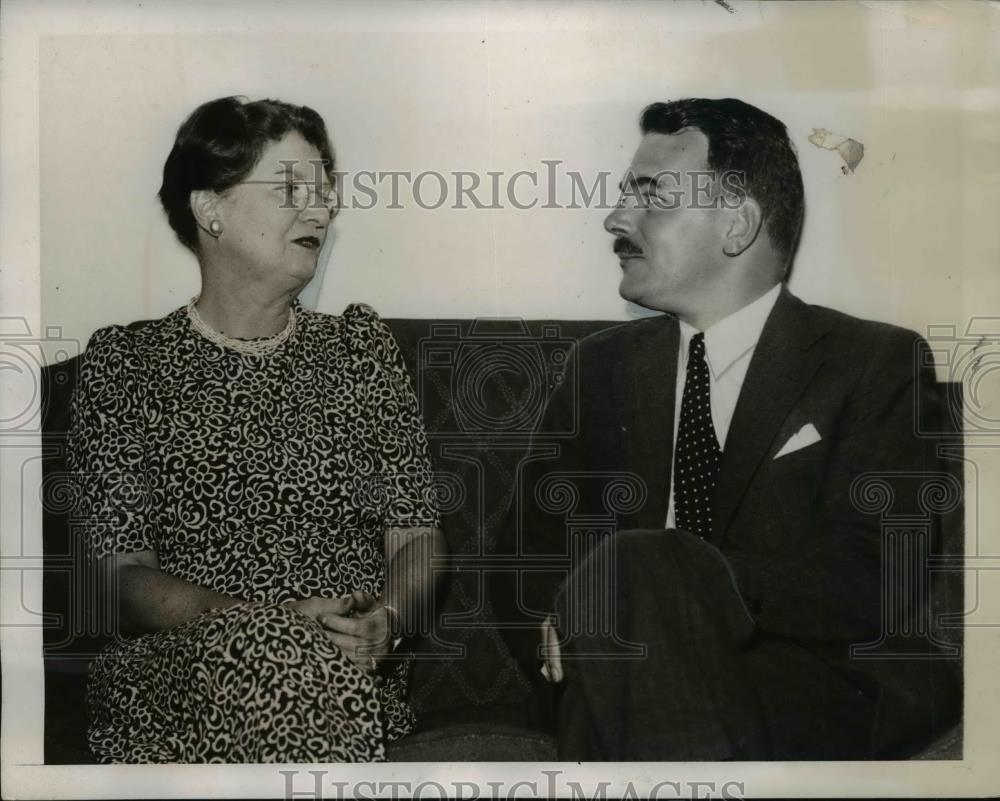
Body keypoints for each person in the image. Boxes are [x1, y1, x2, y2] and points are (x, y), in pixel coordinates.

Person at [494, 98, 960, 760]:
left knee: (644, 565)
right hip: (613, 666)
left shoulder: (874, 362)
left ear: (737, 224)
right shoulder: (599, 369)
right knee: (630, 638)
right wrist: (562, 629)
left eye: (649, 193)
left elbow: (881, 567)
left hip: (815, 674)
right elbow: (526, 550)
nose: (615, 218)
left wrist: (687, 580)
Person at [68, 96, 445, 763]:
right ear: (210, 207)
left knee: (304, 668)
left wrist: (386, 618)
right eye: (292, 189)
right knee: (274, 652)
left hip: (344, 677)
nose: (322, 211)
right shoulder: (127, 364)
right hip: (183, 678)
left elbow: (416, 536)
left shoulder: (359, 349)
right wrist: (268, 625)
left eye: (325, 192)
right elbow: (117, 576)